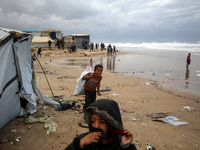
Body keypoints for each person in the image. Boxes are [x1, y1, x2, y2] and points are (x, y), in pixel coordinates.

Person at [65, 99, 137, 150]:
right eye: (92, 121)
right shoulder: (83, 140)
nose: (96, 126)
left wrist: (127, 146)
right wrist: (79, 144)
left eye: (102, 122)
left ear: (110, 124)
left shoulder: (119, 143)